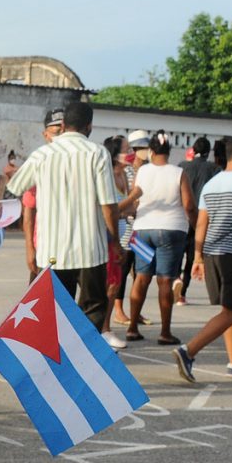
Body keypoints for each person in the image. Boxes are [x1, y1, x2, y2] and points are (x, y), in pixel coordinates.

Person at [7, 101, 119, 331]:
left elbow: (15, 187)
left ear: (64, 124)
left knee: (50, 312)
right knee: (92, 309)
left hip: (51, 251)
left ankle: (50, 361)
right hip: (91, 250)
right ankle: (80, 360)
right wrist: (115, 240)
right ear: (89, 126)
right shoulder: (97, 153)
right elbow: (108, 204)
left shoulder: (42, 154)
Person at [174, 134, 232, 381]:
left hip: (212, 255)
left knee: (229, 308)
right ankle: (188, 351)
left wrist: (198, 257)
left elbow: (201, 223)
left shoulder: (211, 184)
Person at [126, 130, 192, 346]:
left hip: (143, 230)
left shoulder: (142, 171)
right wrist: (193, 223)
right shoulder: (178, 172)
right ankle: (165, 332)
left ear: (151, 150)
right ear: (169, 151)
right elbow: (189, 204)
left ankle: (132, 327)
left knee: (141, 278)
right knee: (165, 280)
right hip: (171, 231)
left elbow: (135, 200)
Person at [98, 136, 141, 350]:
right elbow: (111, 208)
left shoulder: (125, 173)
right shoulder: (106, 175)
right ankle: (103, 329)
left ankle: (104, 327)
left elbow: (123, 209)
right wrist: (133, 197)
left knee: (116, 284)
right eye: (127, 149)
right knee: (110, 284)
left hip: (125, 234)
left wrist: (132, 205)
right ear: (115, 153)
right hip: (109, 236)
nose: (131, 151)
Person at [21, 109, 65, 282]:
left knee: (67, 302)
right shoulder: (38, 163)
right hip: (45, 246)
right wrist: (30, 249)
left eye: (64, 132)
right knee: (40, 300)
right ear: (45, 135)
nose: (60, 138)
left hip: (73, 249)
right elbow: (29, 211)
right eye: (55, 133)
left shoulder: (79, 162)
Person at [175, 137, 220, 304]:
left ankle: (175, 279)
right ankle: (182, 294)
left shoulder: (182, 166)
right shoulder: (214, 169)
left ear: (192, 150)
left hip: (181, 217)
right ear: (209, 153)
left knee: (178, 253)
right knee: (193, 256)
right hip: (201, 218)